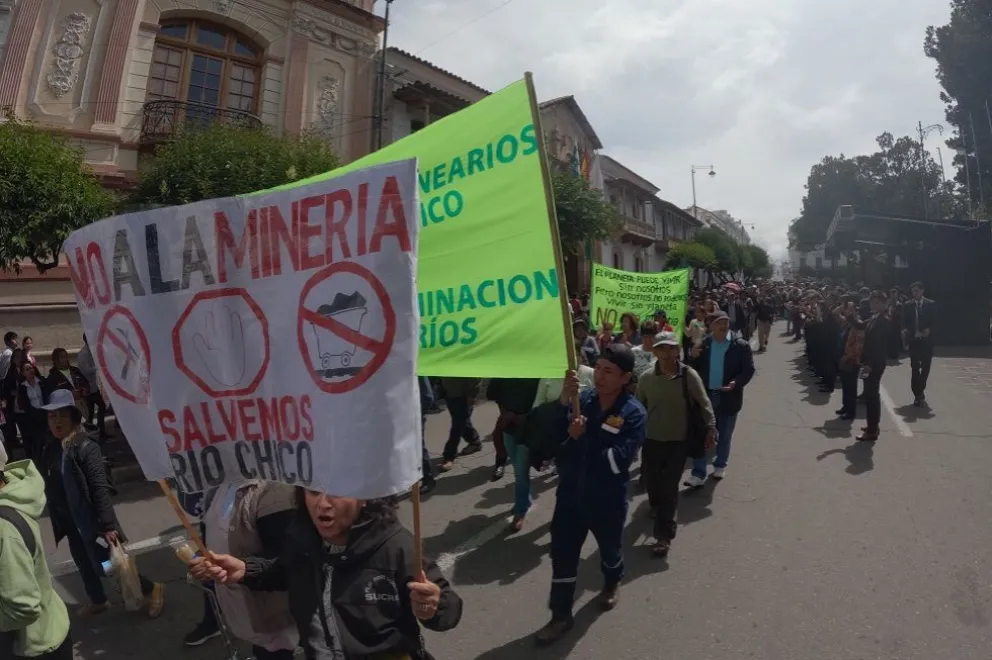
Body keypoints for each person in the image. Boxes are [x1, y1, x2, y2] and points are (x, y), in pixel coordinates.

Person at [193, 490, 463, 659]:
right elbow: (283, 572)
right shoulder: (302, 540)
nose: (322, 503)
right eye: (313, 491)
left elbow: (447, 608)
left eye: (337, 492)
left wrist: (433, 607)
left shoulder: (395, 545)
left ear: (365, 497)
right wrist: (244, 569)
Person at [535, 345, 646, 646]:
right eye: (598, 368)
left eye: (609, 371)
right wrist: (561, 405)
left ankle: (612, 582)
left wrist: (583, 439)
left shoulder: (632, 414)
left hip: (606, 501)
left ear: (625, 378)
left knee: (610, 551)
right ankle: (560, 616)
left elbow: (617, 461)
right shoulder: (581, 400)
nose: (599, 375)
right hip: (570, 496)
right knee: (563, 555)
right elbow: (553, 441)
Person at [37, 389, 165, 618]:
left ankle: (152, 589)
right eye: (51, 416)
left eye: (61, 416)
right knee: (84, 564)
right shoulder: (54, 447)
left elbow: (99, 488)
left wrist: (107, 526)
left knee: (109, 565)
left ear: (74, 419)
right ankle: (98, 600)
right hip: (70, 522)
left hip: (92, 523)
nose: (56, 421)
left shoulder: (86, 447)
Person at [183, 480, 298, 658]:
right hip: (241, 609)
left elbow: (286, 559)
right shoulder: (219, 485)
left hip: (271, 617)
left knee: (274, 652)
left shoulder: (274, 491)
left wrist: (245, 569)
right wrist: (205, 558)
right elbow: (214, 536)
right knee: (262, 649)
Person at [635, 332, 715, 557]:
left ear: (678, 350)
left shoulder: (689, 376)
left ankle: (663, 536)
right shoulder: (646, 378)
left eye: (672, 348)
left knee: (670, 488)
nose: (668, 353)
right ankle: (655, 504)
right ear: (656, 352)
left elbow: (704, 403)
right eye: (663, 349)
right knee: (653, 481)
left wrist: (711, 427)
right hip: (651, 440)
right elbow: (637, 409)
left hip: (679, 441)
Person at [0, 449, 72, 660]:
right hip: (51, 626)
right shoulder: (15, 494)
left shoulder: (4, 531)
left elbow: (23, 607)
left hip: (34, 645)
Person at [685, 311, 755, 487]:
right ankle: (698, 473)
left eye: (726, 322)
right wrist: (691, 356)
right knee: (702, 434)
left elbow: (748, 370)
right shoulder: (703, 344)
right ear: (712, 326)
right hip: (706, 397)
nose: (724, 325)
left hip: (729, 396)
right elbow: (690, 370)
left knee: (724, 435)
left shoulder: (740, 345)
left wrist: (736, 382)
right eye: (719, 322)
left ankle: (720, 465)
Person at [854, 291, 891, 441]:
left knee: (872, 396)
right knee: (870, 395)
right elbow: (860, 325)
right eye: (871, 302)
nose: (872, 304)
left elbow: (879, 347)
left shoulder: (883, 321)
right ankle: (872, 425)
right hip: (869, 362)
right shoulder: (874, 318)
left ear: (883, 304)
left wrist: (870, 364)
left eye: (876, 302)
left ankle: (872, 430)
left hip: (874, 364)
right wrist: (849, 315)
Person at [438, 378, 482, 473]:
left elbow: (475, 376)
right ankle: (475, 442)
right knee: (462, 422)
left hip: (464, 396)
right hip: (450, 393)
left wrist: (472, 395)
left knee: (457, 426)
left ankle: (449, 456)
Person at [902, 282, 936, 407]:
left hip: (927, 341)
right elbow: (904, 322)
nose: (914, 293)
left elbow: (936, 322)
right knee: (915, 367)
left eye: (916, 291)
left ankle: (921, 388)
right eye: (913, 291)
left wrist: (930, 330)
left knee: (926, 367)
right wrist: (906, 333)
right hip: (914, 341)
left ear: (922, 291)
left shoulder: (931, 304)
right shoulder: (907, 305)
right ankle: (917, 394)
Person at [75, 336, 106, 440]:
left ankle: (100, 432)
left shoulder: (92, 351)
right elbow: (84, 370)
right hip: (87, 388)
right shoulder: (84, 354)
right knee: (90, 412)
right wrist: (97, 367)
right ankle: (92, 434)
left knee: (100, 407)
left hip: (93, 386)